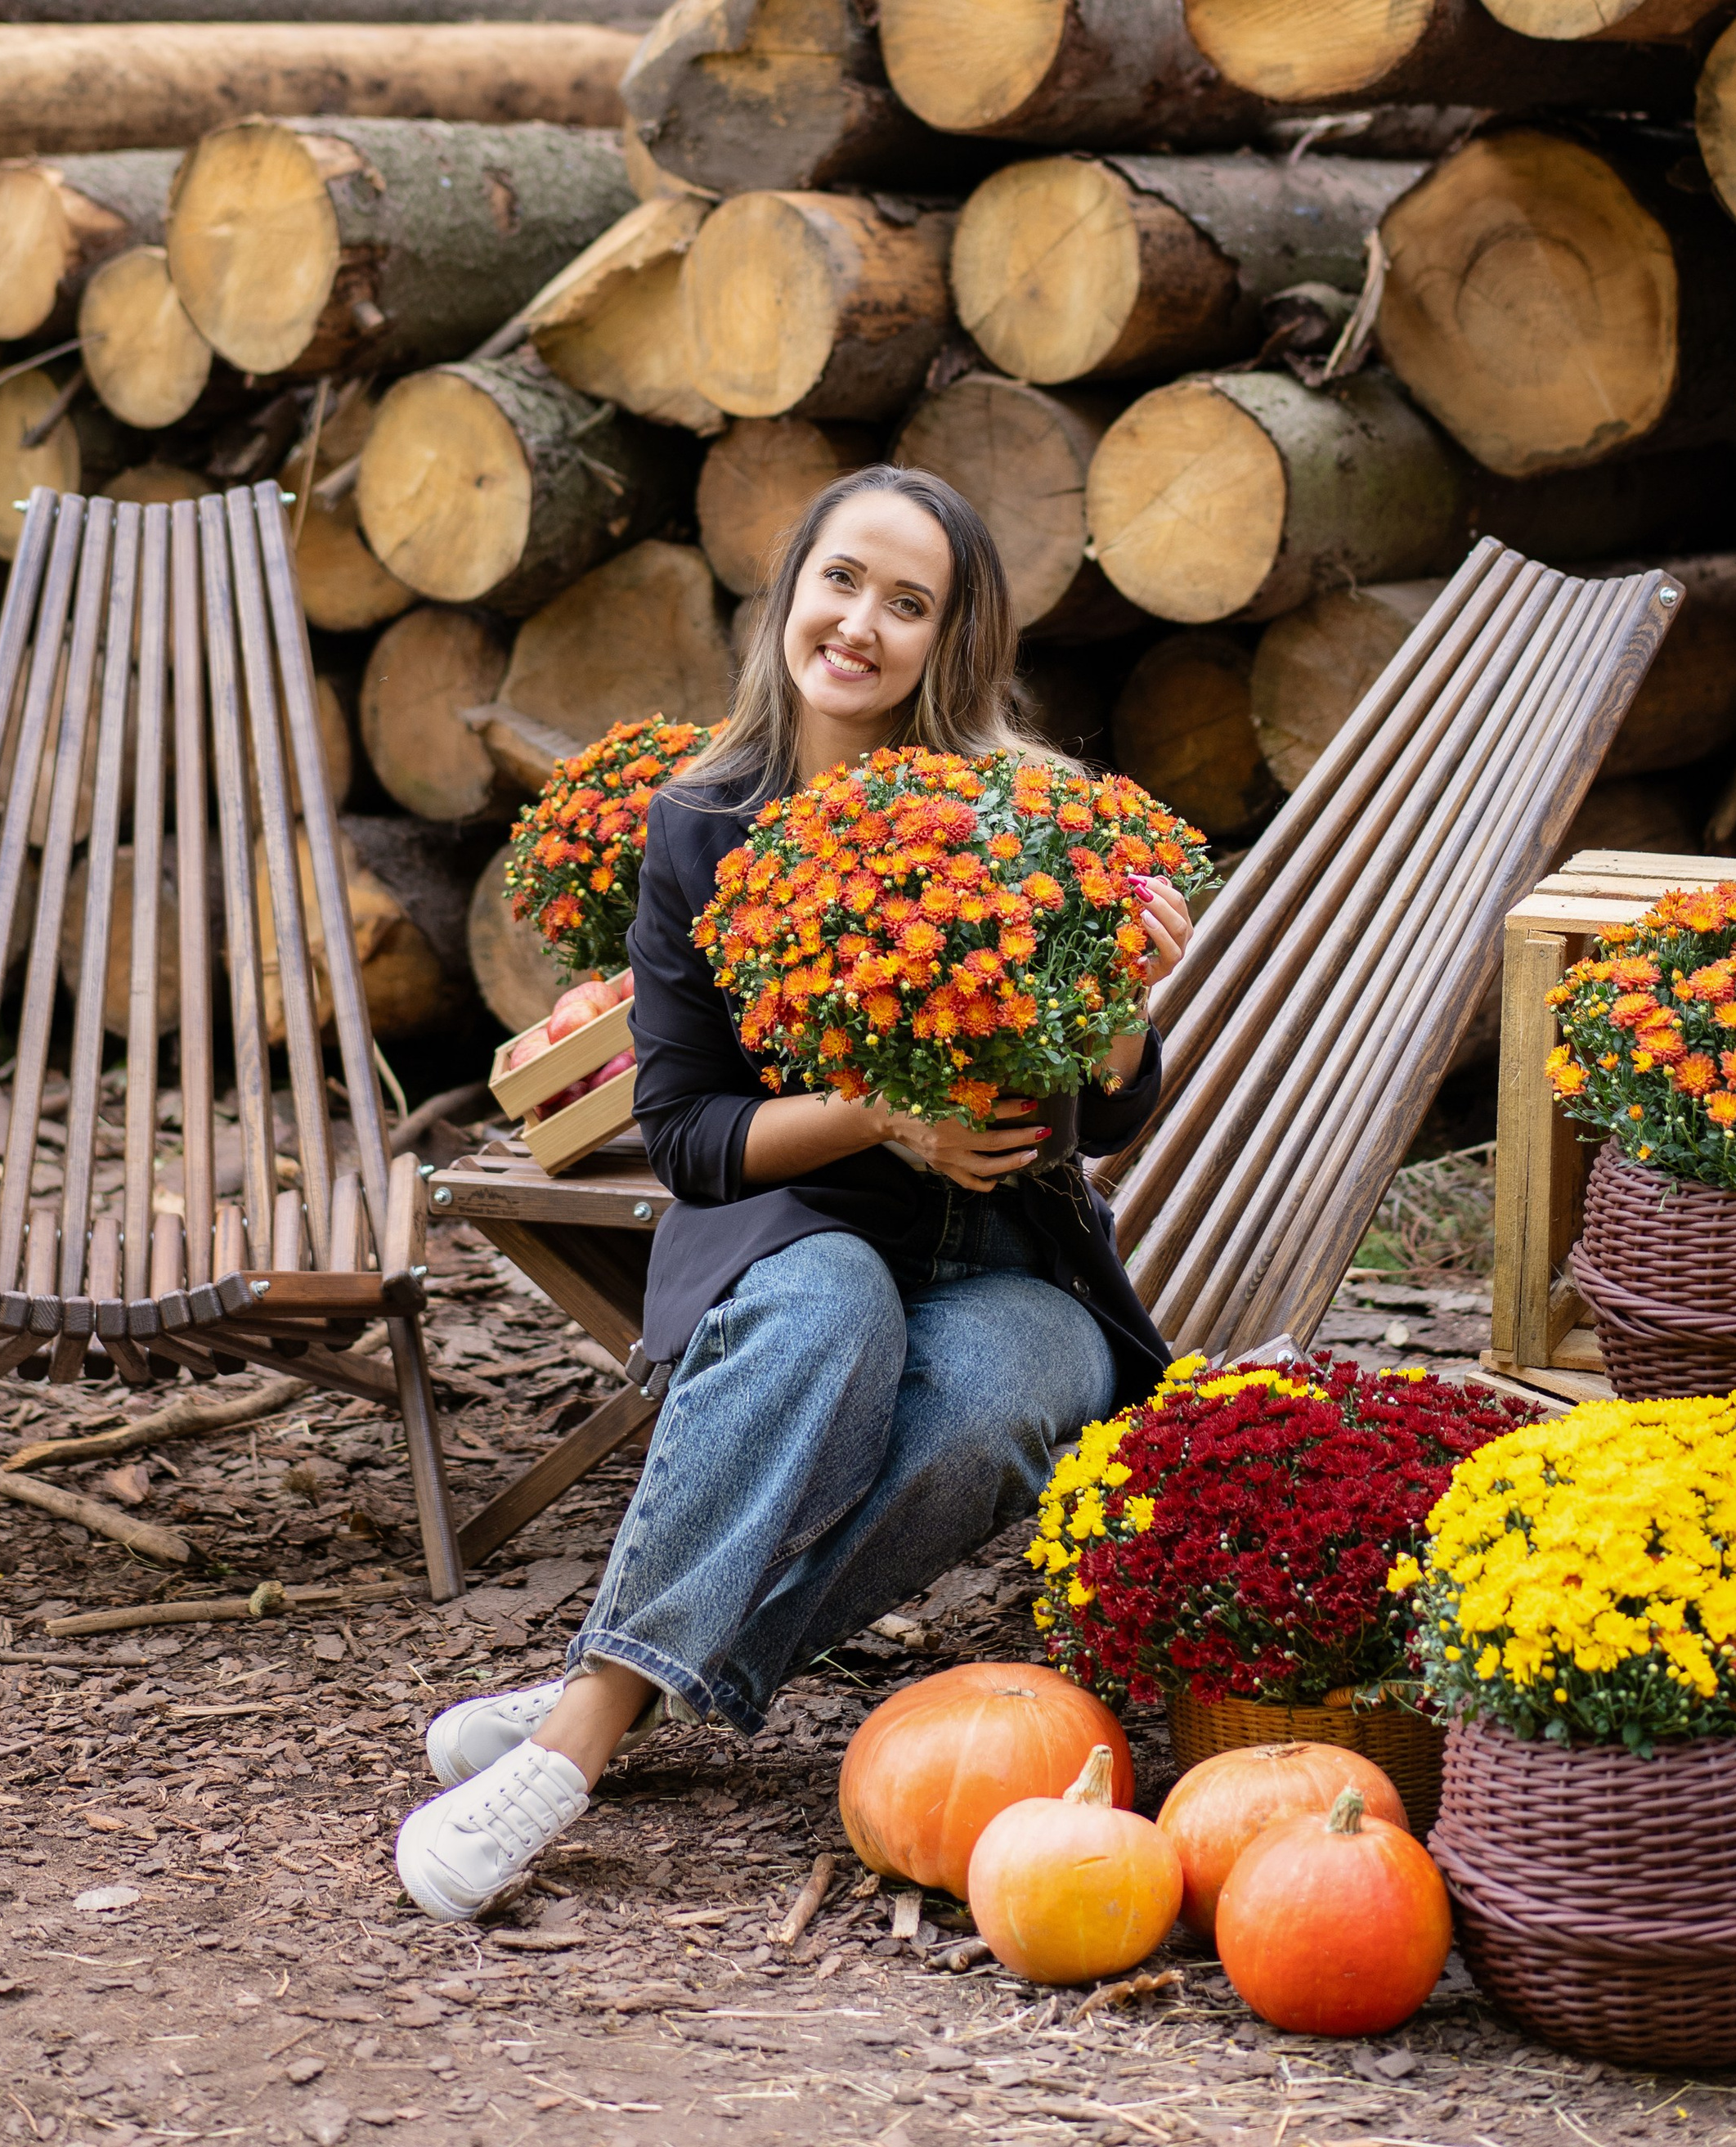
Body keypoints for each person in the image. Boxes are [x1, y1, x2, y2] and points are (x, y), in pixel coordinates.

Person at [393, 467, 1192, 1920]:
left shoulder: (1022, 814)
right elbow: (689, 1134)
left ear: (951, 641)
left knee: (1042, 1367)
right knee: (835, 1312)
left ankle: (613, 1689)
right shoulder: (704, 824)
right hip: (792, 1231)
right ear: (790, 596)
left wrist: (1123, 997)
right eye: (841, 580)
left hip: (1003, 1248)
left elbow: (1115, 1107)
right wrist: (888, 1116)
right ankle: (573, 1751)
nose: (861, 624)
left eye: (909, 602)